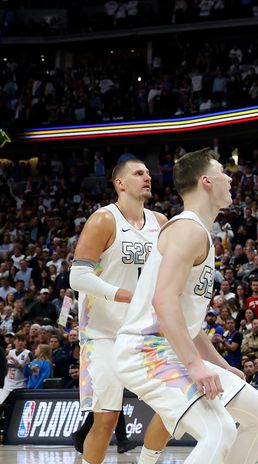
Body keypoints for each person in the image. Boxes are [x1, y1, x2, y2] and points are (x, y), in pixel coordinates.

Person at [113, 148, 258, 464]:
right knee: (219, 432)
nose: (230, 178)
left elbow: (188, 321)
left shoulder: (198, 230)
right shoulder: (187, 228)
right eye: (222, 172)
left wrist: (219, 363)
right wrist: (195, 365)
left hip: (169, 349)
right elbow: (163, 302)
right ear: (206, 181)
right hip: (146, 352)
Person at [69, 158, 168, 464]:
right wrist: (126, 295)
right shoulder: (104, 220)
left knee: (172, 407)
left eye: (149, 173)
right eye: (139, 173)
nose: (147, 177)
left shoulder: (161, 222)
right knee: (107, 418)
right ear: (120, 184)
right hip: (105, 333)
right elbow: (78, 277)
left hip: (147, 333)